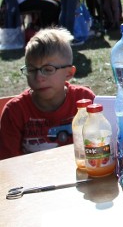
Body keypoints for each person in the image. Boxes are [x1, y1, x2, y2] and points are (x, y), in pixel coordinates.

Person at [0, 27, 95, 159]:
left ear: (69, 73)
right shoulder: (15, 111)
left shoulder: (85, 99)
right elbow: (8, 165)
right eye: (32, 70)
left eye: (48, 69)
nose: (39, 77)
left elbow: (101, 145)